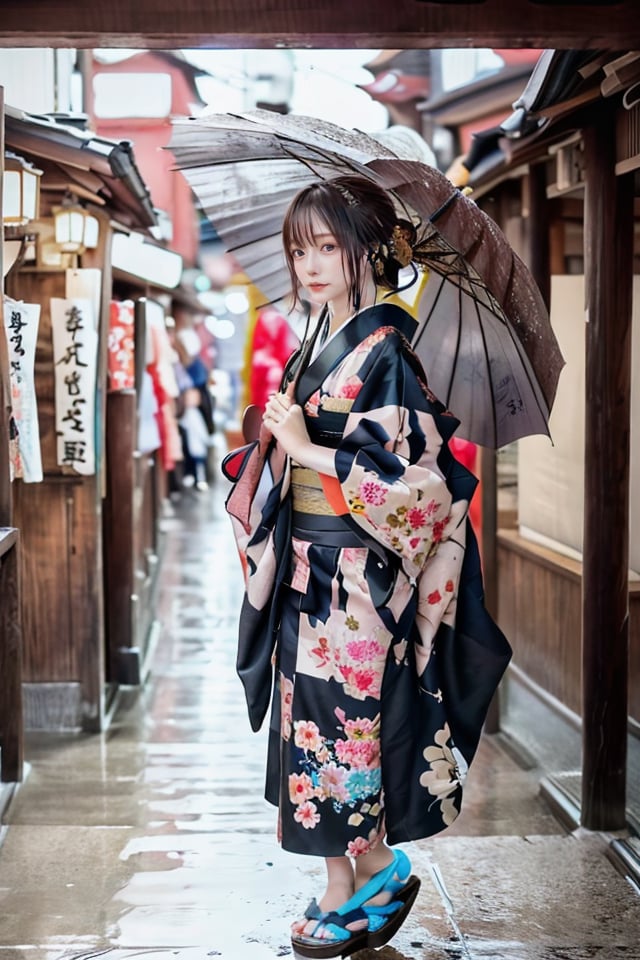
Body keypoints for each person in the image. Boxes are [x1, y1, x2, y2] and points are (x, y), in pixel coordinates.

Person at [224, 174, 511, 958]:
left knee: (346, 726)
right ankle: (339, 885)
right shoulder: (319, 338)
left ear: (366, 250)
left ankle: (377, 864)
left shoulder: (387, 352)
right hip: (303, 568)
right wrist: (274, 440)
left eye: (327, 246)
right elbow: (290, 449)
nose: (310, 264)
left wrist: (306, 446)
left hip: (354, 579)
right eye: (298, 249)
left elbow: (415, 487)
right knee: (305, 723)